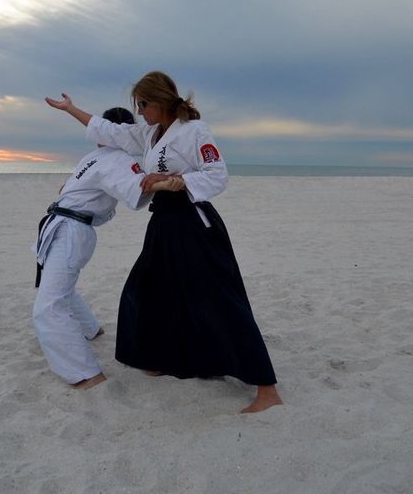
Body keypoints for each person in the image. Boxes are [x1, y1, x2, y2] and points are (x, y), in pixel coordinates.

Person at [45, 72, 283, 412]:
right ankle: (160, 358)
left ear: (158, 101)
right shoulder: (150, 133)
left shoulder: (194, 132)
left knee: (219, 298)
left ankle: (266, 389)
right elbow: (110, 131)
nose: (139, 112)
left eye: (142, 105)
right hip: (165, 223)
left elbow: (218, 175)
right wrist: (71, 109)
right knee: (146, 291)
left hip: (193, 223)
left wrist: (174, 181)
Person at [33, 106, 181, 390]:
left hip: (72, 231)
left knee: (47, 307)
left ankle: (86, 374)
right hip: (60, 226)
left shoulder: (118, 160)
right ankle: (90, 328)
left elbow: (136, 192)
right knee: (58, 288)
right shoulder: (95, 157)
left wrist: (167, 181)